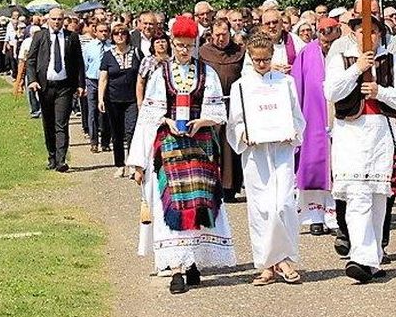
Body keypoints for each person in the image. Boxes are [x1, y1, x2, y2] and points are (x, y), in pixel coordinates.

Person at [127, 16, 236, 295]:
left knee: (199, 204)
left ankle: (192, 263)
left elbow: (217, 113)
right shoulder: (160, 73)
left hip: (200, 147)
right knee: (173, 205)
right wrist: (167, 121)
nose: (183, 50)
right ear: (171, 43)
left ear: (195, 44)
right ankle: (176, 267)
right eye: (179, 45)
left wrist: (202, 121)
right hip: (170, 147)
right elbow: (149, 114)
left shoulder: (206, 72)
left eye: (188, 45)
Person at [324, 14, 396, 283]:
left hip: (381, 133)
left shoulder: (391, 57)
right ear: (352, 33)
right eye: (362, 31)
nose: (368, 37)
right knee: (357, 194)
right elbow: (331, 91)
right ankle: (359, 256)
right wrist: (356, 69)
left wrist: (380, 91)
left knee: (377, 198)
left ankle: (372, 259)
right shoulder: (340, 56)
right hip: (351, 133)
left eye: (373, 32)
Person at [227, 32, 307, 285]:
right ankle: (268, 264)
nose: (262, 65)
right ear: (250, 58)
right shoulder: (241, 86)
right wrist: (243, 134)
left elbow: (297, 116)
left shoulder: (285, 83)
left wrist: (293, 132)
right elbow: (235, 122)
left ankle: (282, 258)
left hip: (281, 151)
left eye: (266, 59)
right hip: (256, 155)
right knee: (262, 208)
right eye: (257, 60)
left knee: (282, 205)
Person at [291, 17, 341, 236]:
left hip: (340, 119)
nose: (325, 40)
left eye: (329, 34)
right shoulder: (306, 53)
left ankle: (336, 217)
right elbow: (296, 86)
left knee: (338, 169)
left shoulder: (344, 51)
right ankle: (314, 216)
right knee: (312, 168)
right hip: (312, 118)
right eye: (321, 34)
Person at [26, 8, 86, 172]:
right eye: (53, 19)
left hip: (64, 87)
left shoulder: (71, 37)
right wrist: (32, 80)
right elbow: (30, 60)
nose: (57, 22)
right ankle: (51, 156)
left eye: (59, 19)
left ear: (63, 20)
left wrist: (80, 84)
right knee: (49, 123)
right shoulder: (40, 36)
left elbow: (79, 62)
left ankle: (61, 160)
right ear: (48, 20)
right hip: (45, 87)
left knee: (61, 123)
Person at [199, 19, 246, 202]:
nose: (220, 38)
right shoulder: (204, 52)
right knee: (211, 144)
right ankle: (211, 185)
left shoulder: (239, 52)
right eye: (217, 34)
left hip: (232, 104)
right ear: (211, 34)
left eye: (224, 34)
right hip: (210, 105)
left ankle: (230, 188)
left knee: (231, 146)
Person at [99, 25, 141, 178]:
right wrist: (100, 99)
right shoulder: (108, 55)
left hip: (132, 99)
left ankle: (132, 163)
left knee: (131, 131)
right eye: (116, 33)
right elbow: (103, 78)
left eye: (123, 33)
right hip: (113, 99)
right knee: (116, 133)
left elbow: (142, 75)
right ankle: (119, 164)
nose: (120, 36)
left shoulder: (136, 52)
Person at [84, 23, 114, 153]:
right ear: (95, 32)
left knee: (106, 112)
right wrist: (83, 84)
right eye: (101, 31)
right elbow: (84, 65)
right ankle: (94, 141)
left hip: (108, 82)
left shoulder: (112, 47)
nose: (104, 33)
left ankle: (105, 142)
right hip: (92, 81)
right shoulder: (89, 47)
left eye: (106, 31)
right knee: (92, 112)